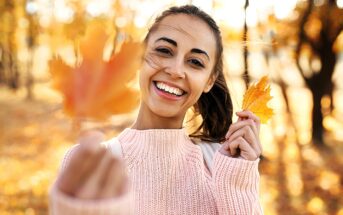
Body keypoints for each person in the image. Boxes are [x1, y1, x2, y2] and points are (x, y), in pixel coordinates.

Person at [49, 5, 263, 215]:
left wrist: (237, 182)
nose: (176, 70)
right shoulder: (92, 164)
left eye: (195, 62)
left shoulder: (224, 165)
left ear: (209, 81)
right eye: (164, 51)